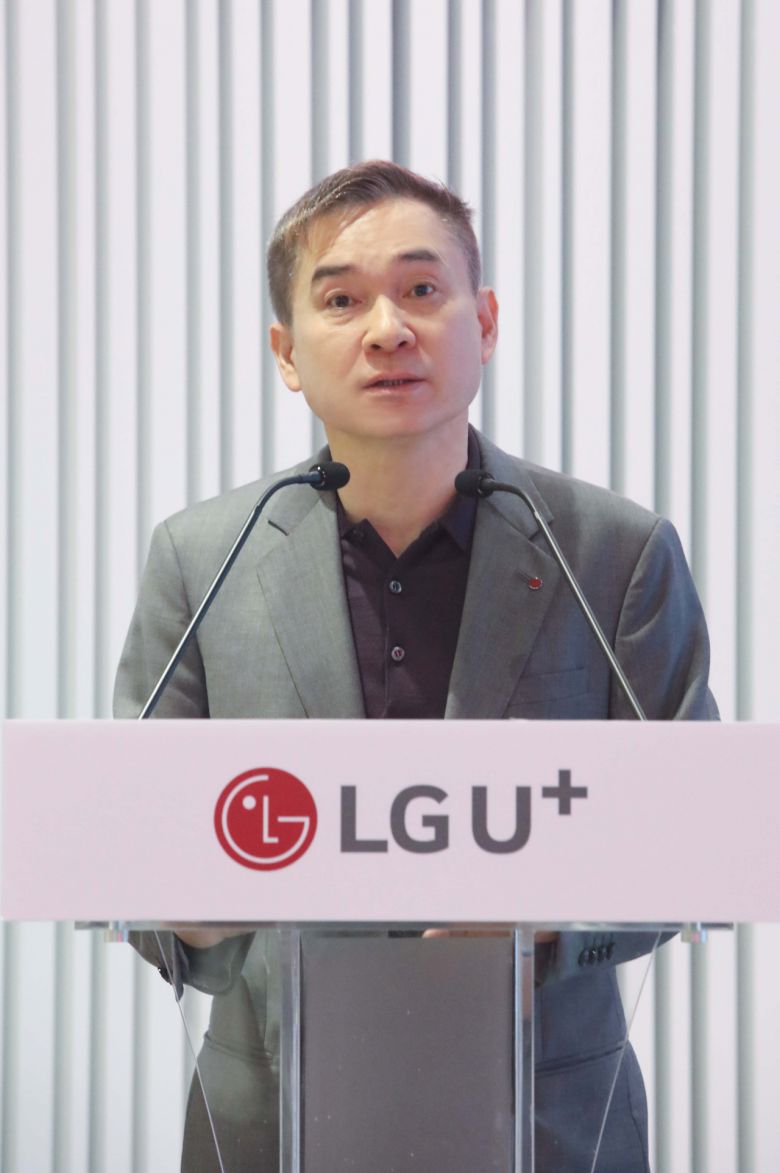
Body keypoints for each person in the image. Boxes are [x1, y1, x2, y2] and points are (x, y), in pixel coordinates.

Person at [114, 160, 718, 1172]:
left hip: (549, 1118)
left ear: (484, 322)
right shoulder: (202, 555)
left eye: (422, 288)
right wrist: (184, 916)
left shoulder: (613, 551)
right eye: (341, 300)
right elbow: (122, 846)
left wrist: (549, 926)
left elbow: (699, 836)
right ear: (287, 352)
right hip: (270, 1116)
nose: (388, 328)